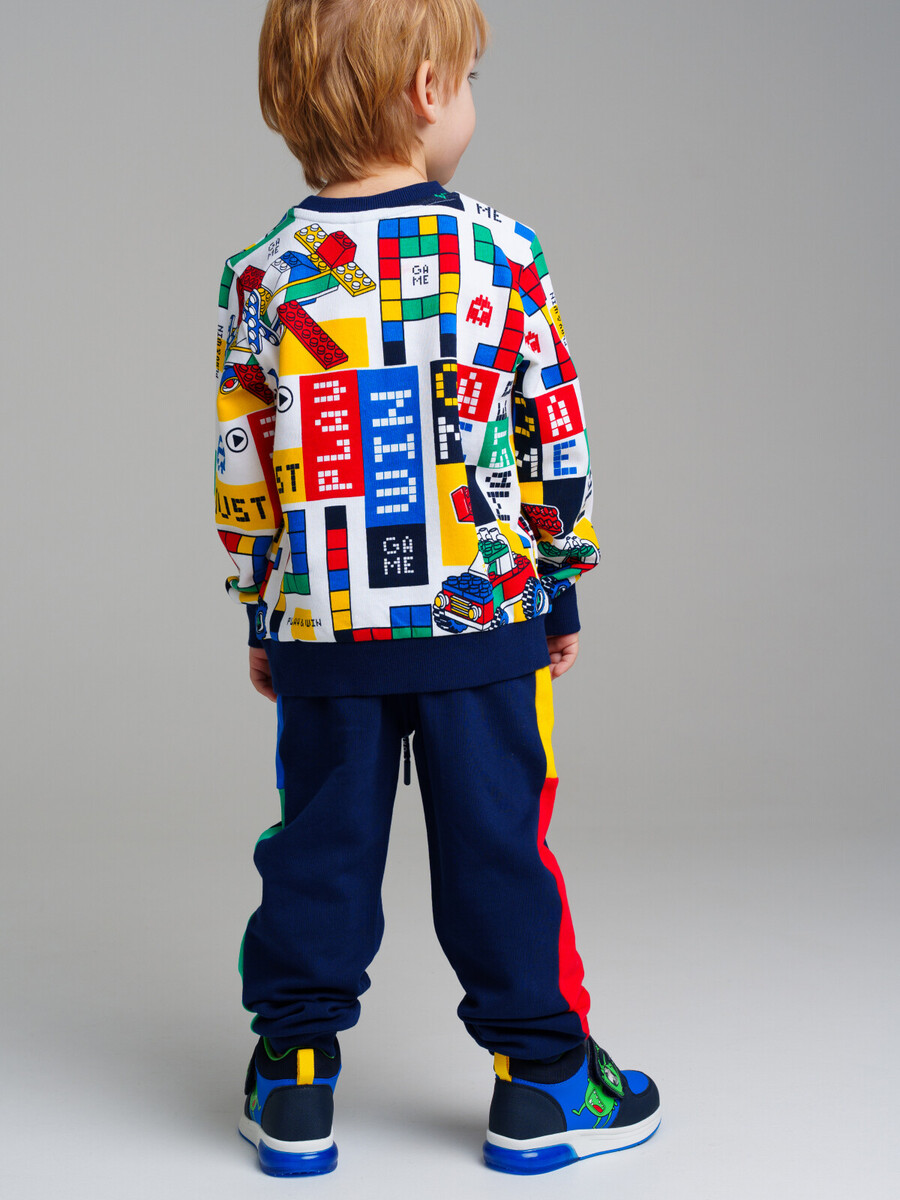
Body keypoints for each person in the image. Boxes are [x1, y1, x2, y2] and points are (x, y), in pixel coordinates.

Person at [214, 0, 660, 1177]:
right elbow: (553, 433)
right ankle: (545, 1080)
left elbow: (245, 465)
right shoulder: (502, 255)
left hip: (324, 629)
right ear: (426, 90)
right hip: (482, 624)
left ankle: (293, 1075)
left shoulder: (260, 276)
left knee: (319, 846)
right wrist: (559, 587)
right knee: (499, 846)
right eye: (467, 79)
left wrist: (261, 604)